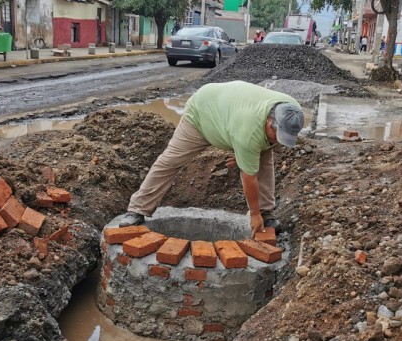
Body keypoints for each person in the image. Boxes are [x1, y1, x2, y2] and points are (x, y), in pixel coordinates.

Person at [117, 81, 305, 237]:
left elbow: (256, 145)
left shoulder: (291, 111)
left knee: (265, 165)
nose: (277, 140)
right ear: (269, 121)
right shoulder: (249, 130)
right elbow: (249, 176)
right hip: (202, 113)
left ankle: (266, 214)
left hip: (232, 117)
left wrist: (243, 155)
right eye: (276, 134)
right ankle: (138, 209)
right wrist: (253, 214)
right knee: (170, 161)